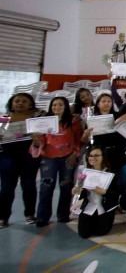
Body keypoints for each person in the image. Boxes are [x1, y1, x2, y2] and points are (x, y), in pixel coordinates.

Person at [31, 96, 83, 226]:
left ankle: (63, 214)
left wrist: (75, 153)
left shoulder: (73, 121)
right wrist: (36, 140)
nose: (57, 107)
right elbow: (41, 141)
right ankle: (42, 217)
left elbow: (78, 139)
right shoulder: (45, 122)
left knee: (66, 186)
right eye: (54, 105)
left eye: (60, 104)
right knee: (46, 187)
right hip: (48, 158)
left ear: (65, 107)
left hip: (67, 157)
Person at [0, 93, 39, 228]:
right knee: (6, 188)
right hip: (7, 157)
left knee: (29, 187)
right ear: (11, 103)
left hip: (29, 157)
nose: (20, 103)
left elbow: (41, 141)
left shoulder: (35, 119)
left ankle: (30, 215)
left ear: (30, 104)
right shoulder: (4, 120)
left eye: (24, 101)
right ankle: (3, 217)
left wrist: (37, 139)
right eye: (17, 101)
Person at [72, 146, 119, 238]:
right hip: (88, 206)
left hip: (104, 207)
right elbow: (78, 190)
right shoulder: (83, 172)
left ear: (103, 157)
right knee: (84, 234)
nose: (93, 158)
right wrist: (76, 190)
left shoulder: (111, 173)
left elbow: (117, 193)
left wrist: (104, 192)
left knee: (101, 232)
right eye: (91, 156)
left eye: (96, 155)